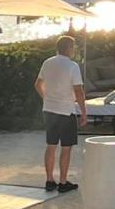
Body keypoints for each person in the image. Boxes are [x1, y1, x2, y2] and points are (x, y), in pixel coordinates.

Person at [34, 36, 87, 193]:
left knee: (51, 145)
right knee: (66, 147)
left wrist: (47, 97)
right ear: (69, 48)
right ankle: (63, 182)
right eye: (74, 47)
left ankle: (50, 180)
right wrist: (84, 112)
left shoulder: (47, 62)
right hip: (66, 110)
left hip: (49, 109)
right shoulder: (72, 66)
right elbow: (78, 90)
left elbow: (37, 84)